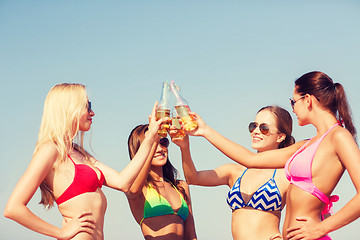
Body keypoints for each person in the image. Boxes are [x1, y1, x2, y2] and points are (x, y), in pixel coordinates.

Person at [185, 71, 360, 240]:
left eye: (293, 102)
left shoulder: (339, 136)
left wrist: (322, 228)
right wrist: (205, 131)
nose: (293, 109)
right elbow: (250, 160)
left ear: (307, 100)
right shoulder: (307, 144)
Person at [3, 83, 165, 240]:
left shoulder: (79, 152)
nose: (92, 112)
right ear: (68, 108)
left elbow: (123, 182)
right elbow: (13, 208)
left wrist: (150, 138)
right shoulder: (50, 150)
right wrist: (59, 233)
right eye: (87, 106)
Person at [171, 106, 295, 240]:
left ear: (280, 137)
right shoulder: (235, 171)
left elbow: (308, 211)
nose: (256, 132)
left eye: (264, 128)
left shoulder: (285, 175)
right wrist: (184, 147)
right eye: (253, 126)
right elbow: (193, 178)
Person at [126, 124, 197, 240]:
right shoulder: (137, 188)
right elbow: (132, 191)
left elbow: (191, 235)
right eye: (153, 143)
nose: (160, 149)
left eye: (163, 142)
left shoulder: (180, 186)